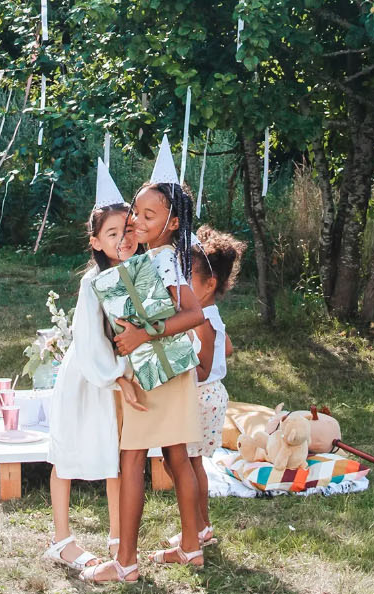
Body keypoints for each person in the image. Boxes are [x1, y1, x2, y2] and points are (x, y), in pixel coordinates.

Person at [88, 137, 211, 582]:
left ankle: (126, 561)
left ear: (172, 222)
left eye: (147, 216)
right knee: (177, 455)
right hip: (171, 371)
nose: (136, 221)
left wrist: (143, 333)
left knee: (133, 459)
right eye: (135, 213)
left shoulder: (162, 262)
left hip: (155, 370)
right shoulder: (163, 257)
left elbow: (194, 314)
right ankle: (191, 548)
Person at [44, 157, 136, 572]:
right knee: (67, 455)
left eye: (128, 230)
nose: (122, 239)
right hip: (89, 379)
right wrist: (117, 376)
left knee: (117, 459)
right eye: (112, 233)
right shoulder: (91, 282)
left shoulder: (137, 274)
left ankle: (119, 538)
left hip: (118, 379)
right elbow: (89, 340)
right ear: (96, 242)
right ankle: (62, 540)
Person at [167, 225, 246, 551]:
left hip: (200, 395)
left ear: (209, 284)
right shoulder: (208, 314)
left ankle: (200, 527)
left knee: (189, 462)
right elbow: (225, 349)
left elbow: (199, 370)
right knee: (187, 461)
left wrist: (171, 359)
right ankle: (200, 526)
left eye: (189, 280)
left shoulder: (200, 319)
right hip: (206, 394)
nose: (181, 287)